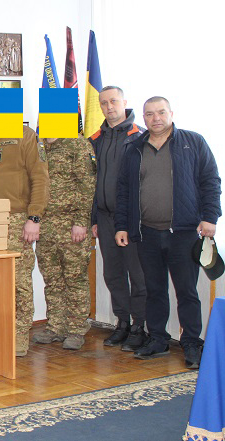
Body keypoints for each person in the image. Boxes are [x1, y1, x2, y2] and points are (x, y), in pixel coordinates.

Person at [115, 96, 221, 369]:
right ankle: (158, 339)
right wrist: (122, 225)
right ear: (143, 117)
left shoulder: (193, 142)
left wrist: (210, 217)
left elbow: (210, 181)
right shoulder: (134, 148)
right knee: (154, 290)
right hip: (147, 233)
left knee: (187, 291)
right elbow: (124, 191)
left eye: (161, 112)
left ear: (171, 113)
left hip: (183, 233)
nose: (156, 118)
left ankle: (192, 343)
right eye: (149, 114)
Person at [0, 125, 49, 357]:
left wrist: (34, 217)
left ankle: (18, 336)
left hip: (15, 218)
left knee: (18, 280)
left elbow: (40, 178)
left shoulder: (26, 136)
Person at [89, 86, 148, 351]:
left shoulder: (140, 137)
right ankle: (122, 323)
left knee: (138, 275)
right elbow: (91, 182)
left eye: (113, 101)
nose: (109, 107)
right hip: (105, 218)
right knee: (113, 274)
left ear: (124, 102)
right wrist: (94, 218)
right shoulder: (96, 139)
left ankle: (139, 327)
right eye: (104, 103)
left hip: (132, 220)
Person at [32, 136, 95, 350]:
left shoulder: (77, 144)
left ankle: (76, 329)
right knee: (52, 279)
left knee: (75, 279)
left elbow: (87, 184)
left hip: (71, 225)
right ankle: (55, 326)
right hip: (45, 225)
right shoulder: (38, 145)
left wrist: (81, 221)